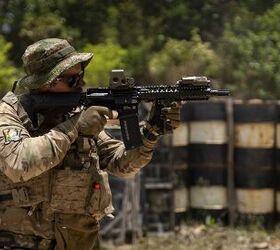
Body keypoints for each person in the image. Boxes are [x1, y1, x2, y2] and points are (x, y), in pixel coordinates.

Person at [0, 38, 181, 250]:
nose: (82, 84)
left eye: (81, 76)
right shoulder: (9, 114)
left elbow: (121, 164)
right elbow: (18, 164)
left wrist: (152, 131)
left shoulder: (73, 114)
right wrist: (75, 127)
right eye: (74, 80)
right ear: (49, 81)